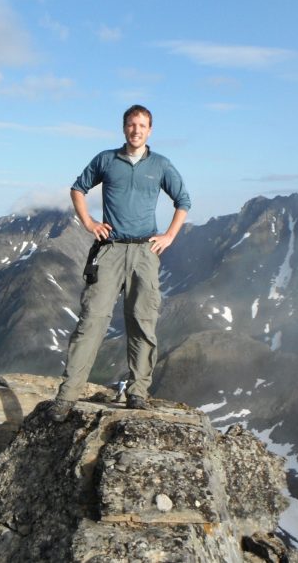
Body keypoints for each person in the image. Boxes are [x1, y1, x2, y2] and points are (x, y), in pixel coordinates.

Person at [48, 104, 191, 422]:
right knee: (91, 320)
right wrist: (89, 223)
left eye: (142, 125)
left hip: (145, 252)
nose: (136, 130)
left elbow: (183, 201)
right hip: (109, 249)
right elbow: (77, 189)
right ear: (123, 128)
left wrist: (169, 235)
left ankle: (138, 393)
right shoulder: (105, 160)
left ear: (150, 130)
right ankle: (68, 395)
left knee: (142, 322)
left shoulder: (161, 165)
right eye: (131, 124)